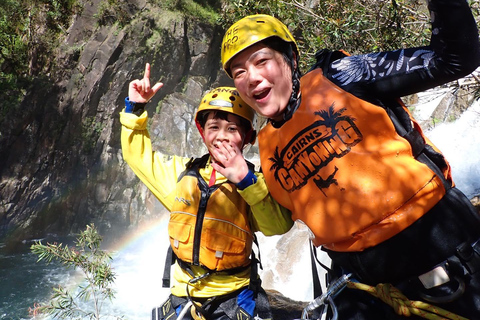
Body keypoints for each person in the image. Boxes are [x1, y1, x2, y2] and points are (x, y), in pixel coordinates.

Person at [220, 0, 480, 319]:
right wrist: (244, 179)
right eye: (239, 72)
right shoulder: (266, 146)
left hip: (443, 253)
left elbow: (452, 59)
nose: (252, 77)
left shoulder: (344, 75)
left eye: (262, 61)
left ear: (291, 58)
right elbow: (281, 221)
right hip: (363, 287)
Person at [120, 65, 293, 320]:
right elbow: (139, 157)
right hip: (184, 295)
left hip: (234, 297)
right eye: (214, 127)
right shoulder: (182, 174)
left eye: (232, 129)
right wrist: (135, 109)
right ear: (202, 132)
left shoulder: (256, 183)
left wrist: (245, 180)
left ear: (248, 138)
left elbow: (277, 225)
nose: (221, 137)